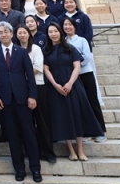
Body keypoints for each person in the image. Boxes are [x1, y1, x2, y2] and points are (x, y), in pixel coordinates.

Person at [43, 22, 103, 161]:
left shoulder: (70, 48)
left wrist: (70, 83)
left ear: (60, 32)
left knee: (77, 116)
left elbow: (77, 67)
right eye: (50, 32)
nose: (53, 34)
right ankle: (70, 150)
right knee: (64, 118)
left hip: (73, 85)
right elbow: (46, 69)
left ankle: (80, 149)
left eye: (55, 31)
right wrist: (56, 85)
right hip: (55, 87)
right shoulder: (46, 50)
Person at [0, 21, 42, 183]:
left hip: (23, 99)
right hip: (5, 101)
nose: (3, 34)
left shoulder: (21, 52)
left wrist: (32, 96)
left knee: (29, 134)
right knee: (12, 135)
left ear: (11, 34)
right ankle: (19, 169)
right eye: (0, 32)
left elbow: (30, 76)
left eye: (6, 32)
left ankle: (35, 169)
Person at [62, 17, 106, 142]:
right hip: (71, 76)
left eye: (70, 25)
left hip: (85, 73)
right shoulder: (63, 41)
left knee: (92, 102)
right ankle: (85, 132)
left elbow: (86, 56)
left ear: (74, 27)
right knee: (81, 103)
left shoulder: (81, 40)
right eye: (65, 25)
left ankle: (101, 131)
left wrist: (76, 66)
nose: (67, 27)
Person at [17, 25, 55, 163]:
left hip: (38, 86)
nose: (22, 35)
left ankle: (48, 152)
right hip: (22, 88)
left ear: (29, 34)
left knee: (42, 121)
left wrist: (20, 72)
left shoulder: (36, 48)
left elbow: (37, 68)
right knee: (27, 123)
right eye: (19, 33)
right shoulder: (15, 50)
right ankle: (33, 152)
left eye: (24, 32)